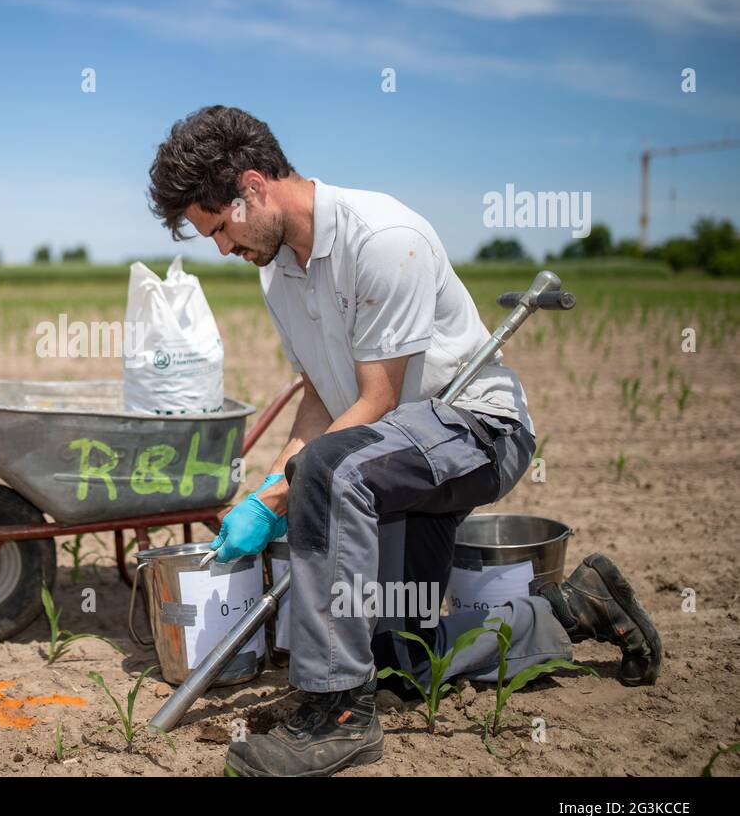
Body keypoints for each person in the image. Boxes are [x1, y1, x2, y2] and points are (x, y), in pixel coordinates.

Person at [147, 105, 662, 777]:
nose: (221, 248)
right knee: (403, 659)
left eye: (218, 228)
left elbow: (374, 401)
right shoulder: (280, 275)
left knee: (329, 475)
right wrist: (270, 484)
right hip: (395, 462)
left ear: (252, 187)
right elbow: (323, 400)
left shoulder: (383, 238)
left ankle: (336, 714)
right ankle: (572, 610)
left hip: (475, 432)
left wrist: (277, 496)